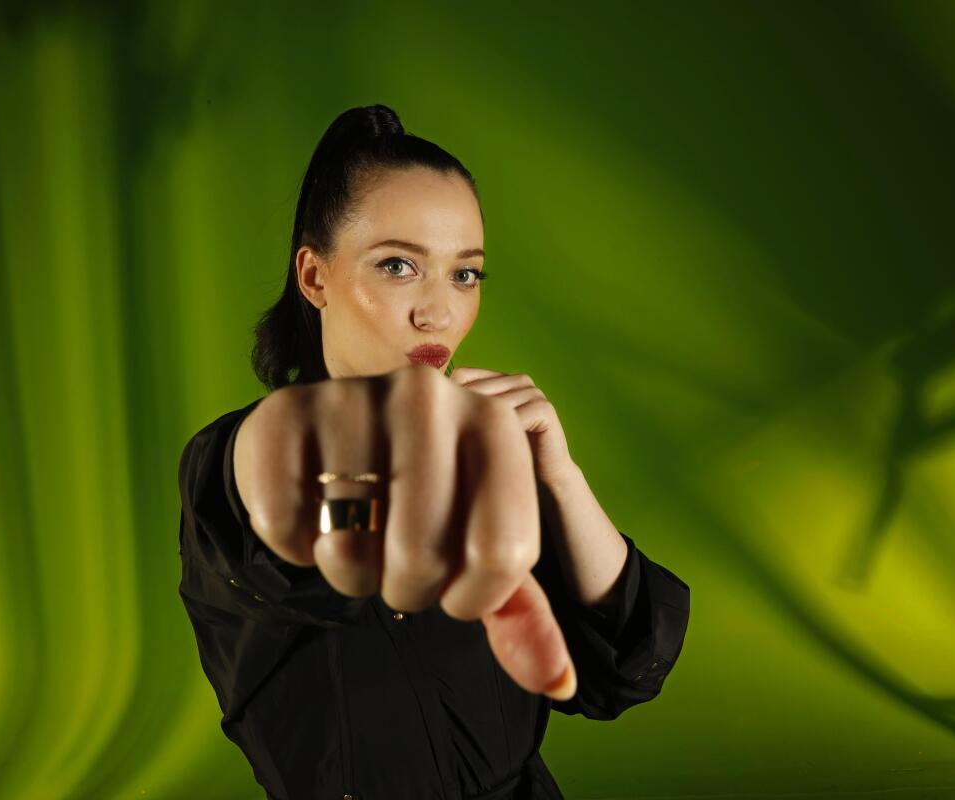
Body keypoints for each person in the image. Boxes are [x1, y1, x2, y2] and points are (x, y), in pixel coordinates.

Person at [177, 104, 690, 800]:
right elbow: (306, 509)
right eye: (398, 266)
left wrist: (560, 479)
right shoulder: (239, 460)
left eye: (465, 275)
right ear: (315, 276)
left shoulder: (490, 456)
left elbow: (626, 669)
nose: (440, 312)